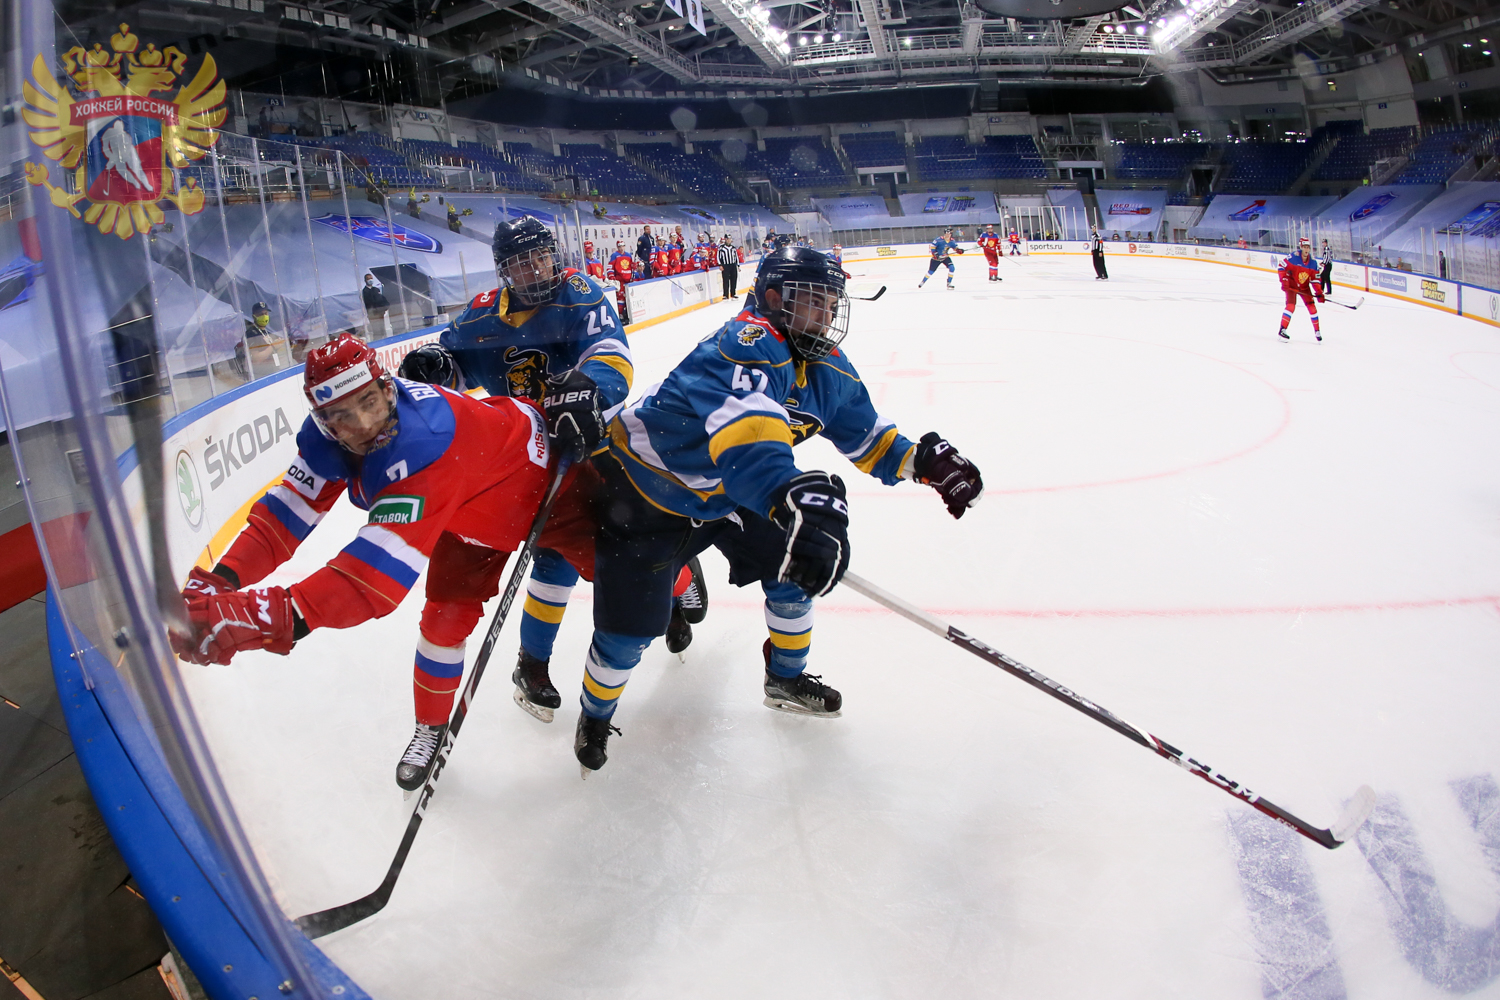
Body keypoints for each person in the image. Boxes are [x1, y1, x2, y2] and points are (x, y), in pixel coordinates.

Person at [566, 246, 985, 775]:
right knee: (627, 635)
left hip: (727, 495)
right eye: (816, 301)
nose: (829, 314)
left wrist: (922, 462)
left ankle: (785, 677)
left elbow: (870, 441)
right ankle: (596, 715)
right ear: (773, 299)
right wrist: (790, 494)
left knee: (795, 569)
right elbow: (748, 443)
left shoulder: (827, 366)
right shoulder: (746, 343)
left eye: (833, 302)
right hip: (645, 495)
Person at [172, 335, 599, 792]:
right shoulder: (329, 434)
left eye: (370, 403)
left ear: (387, 387)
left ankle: (678, 587)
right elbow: (283, 518)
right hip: (468, 511)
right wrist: (216, 582)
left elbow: (369, 584)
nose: (363, 425)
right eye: (341, 416)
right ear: (322, 418)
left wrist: (262, 616)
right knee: (442, 625)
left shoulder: (426, 446)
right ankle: (430, 729)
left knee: (633, 576)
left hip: (550, 491)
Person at [398, 216, 708, 711]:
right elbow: (453, 364)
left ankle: (675, 585)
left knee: (637, 538)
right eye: (522, 262)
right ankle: (532, 664)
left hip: (592, 442)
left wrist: (592, 389)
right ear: (504, 271)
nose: (536, 268)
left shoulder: (579, 293)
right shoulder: (481, 318)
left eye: (541, 256)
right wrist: (438, 366)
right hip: (529, 457)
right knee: (554, 562)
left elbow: (612, 354)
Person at [1277, 238, 1324, 342]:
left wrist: (1319, 292)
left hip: (1304, 286)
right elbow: (1281, 267)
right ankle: (1282, 330)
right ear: (1301, 247)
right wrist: (1284, 280)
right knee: (1291, 306)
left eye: (1308, 247)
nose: (1306, 250)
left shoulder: (1313, 263)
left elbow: (1315, 279)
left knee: (1312, 307)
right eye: (1304, 247)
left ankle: (1317, 331)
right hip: (1292, 283)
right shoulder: (1293, 257)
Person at [607, 240, 637, 323]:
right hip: (619, 280)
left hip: (628, 280)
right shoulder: (614, 255)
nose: (621, 248)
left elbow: (631, 267)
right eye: (619, 246)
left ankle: (627, 314)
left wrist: (634, 268)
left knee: (628, 298)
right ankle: (620, 315)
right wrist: (611, 276)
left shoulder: (628, 255)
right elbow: (610, 267)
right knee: (620, 298)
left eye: (622, 246)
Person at [715, 233, 739, 299]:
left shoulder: (733, 248)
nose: (728, 240)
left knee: (734, 279)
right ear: (725, 239)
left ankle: (733, 293)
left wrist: (738, 265)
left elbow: (736, 257)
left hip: (733, 265)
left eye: (730, 239)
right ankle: (725, 295)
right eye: (727, 239)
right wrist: (720, 265)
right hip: (725, 265)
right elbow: (718, 257)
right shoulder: (721, 248)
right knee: (725, 280)